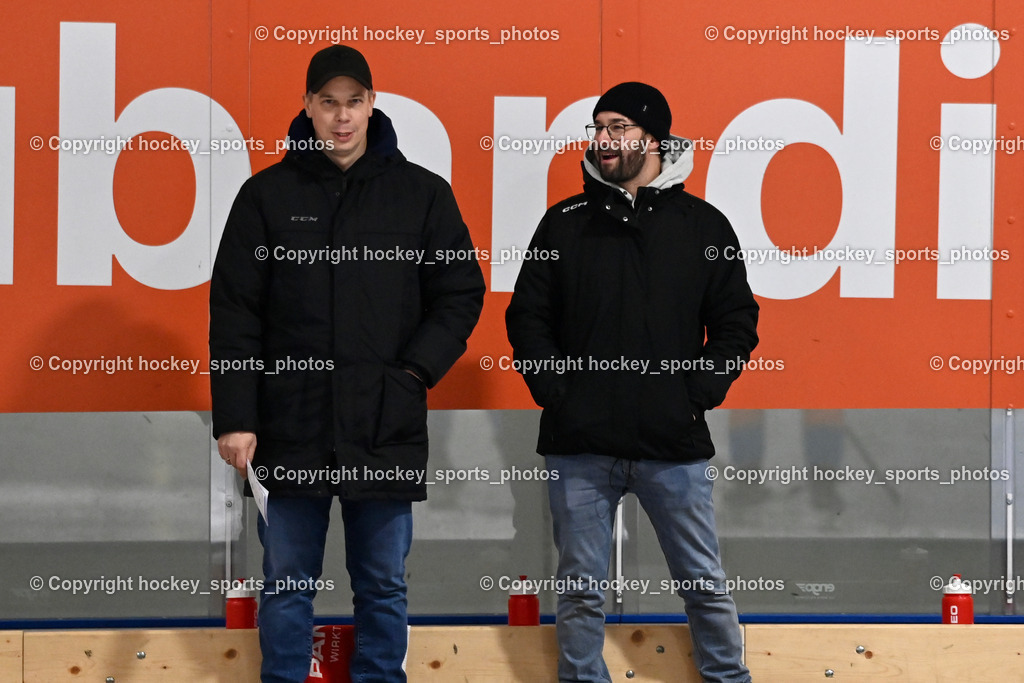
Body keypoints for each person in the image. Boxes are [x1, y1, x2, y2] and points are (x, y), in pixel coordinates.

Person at [209, 45, 485, 683]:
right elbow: (236, 313)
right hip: (289, 423)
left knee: (383, 584)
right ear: (307, 107)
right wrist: (237, 417)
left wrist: (413, 373)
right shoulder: (266, 196)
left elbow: (460, 294)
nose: (341, 117)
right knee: (286, 583)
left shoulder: (421, 194)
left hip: (383, 422)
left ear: (372, 105)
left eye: (353, 102)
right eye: (328, 102)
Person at [506, 82, 758, 683]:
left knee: (703, 582)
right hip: (580, 444)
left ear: (655, 137)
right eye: (599, 127)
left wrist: (695, 393)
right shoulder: (564, 223)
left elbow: (736, 322)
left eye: (618, 127)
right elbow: (527, 317)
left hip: (672, 443)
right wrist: (555, 389)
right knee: (580, 592)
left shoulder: (703, 225)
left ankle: (729, 677)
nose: (604, 139)